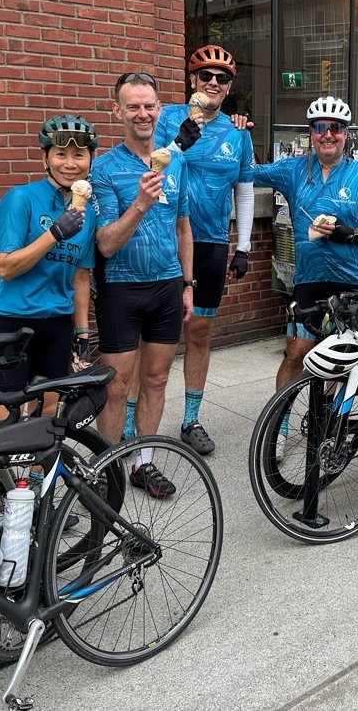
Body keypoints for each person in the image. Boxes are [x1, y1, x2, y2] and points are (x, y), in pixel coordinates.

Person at [123, 44, 254, 456]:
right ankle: (129, 422)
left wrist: (244, 246)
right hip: (163, 238)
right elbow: (149, 167)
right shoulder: (164, 120)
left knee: (199, 332)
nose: (213, 83)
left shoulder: (238, 134)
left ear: (229, 88)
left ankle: (191, 420)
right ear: (192, 81)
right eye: (205, 76)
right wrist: (181, 141)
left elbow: (245, 192)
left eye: (222, 78)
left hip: (212, 243)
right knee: (149, 338)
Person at [0, 114, 98, 526]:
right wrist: (54, 234)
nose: (70, 163)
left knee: (48, 419)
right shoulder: (19, 199)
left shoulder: (88, 212)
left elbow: (81, 276)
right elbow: (7, 266)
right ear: (46, 157)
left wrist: (82, 335)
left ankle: (35, 501)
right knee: (4, 424)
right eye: (60, 154)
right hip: (6, 319)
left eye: (79, 155)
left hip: (57, 322)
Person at [90, 71, 197, 499]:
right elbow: (106, 243)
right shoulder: (104, 167)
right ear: (117, 111)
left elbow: (184, 228)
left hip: (167, 286)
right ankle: (107, 466)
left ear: (159, 109)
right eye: (132, 106)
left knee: (155, 381)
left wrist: (188, 285)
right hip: (122, 288)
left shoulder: (177, 162)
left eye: (149, 105)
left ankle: (143, 463)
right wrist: (140, 202)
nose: (142, 114)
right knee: (115, 386)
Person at [254, 96, 358, 393]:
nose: (328, 134)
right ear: (311, 133)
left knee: (341, 361)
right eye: (320, 127)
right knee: (295, 354)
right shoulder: (293, 170)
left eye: (335, 128)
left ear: (345, 133)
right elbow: (247, 172)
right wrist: (238, 133)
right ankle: (279, 430)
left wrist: (348, 233)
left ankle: (331, 427)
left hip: (349, 280)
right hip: (307, 280)